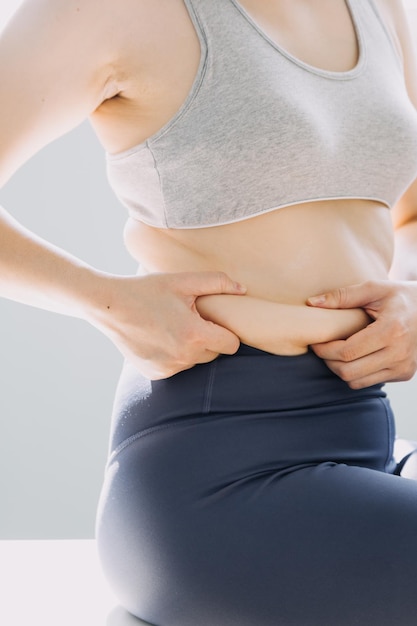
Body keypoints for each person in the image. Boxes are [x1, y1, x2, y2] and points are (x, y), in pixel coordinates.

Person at [2, 0, 417, 624]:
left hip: (369, 435)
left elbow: (408, 213)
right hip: (219, 469)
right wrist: (105, 301)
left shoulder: (383, 10)